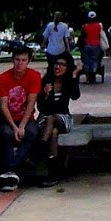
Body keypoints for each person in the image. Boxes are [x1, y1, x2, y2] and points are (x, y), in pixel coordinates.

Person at [0, 49, 43, 191]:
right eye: (17, 60)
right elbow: (3, 105)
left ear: (28, 61)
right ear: (12, 60)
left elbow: (31, 103)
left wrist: (21, 126)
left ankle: (10, 171)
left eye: (23, 60)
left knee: (32, 132)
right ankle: (12, 172)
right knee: (7, 134)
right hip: (8, 119)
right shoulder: (3, 78)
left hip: (26, 119)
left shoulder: (34, 76)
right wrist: (15, 127)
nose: (19, 63)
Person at [36, 52, 81, 186]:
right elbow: (41, 107)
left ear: (68, 67)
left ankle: (40, 146)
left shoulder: (68, 81)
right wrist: (44, 94)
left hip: (63, 118)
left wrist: (74, 76)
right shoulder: (45, 82)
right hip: (45, 118)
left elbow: (75, 96)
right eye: (56, 63)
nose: (58, 67)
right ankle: (53, 172)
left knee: (53, 118)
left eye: (62, 64)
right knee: (53, 132)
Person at [78, 11, 105, 83]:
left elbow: (82, 36)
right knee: (94, 61)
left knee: (86, 62)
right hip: (96, 45)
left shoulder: (85, 26)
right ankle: (93, 77)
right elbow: (101, 34)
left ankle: (87, 79)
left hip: (86, 45)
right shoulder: (99, 25)